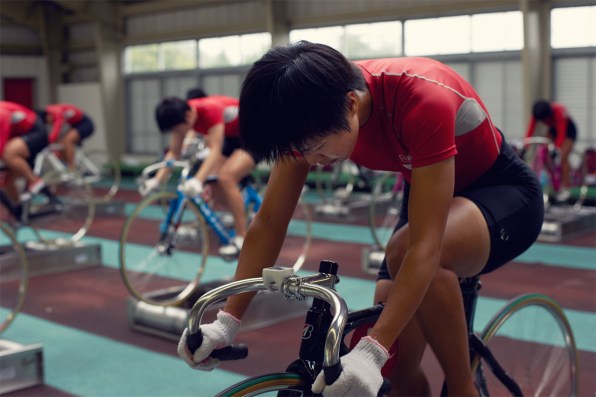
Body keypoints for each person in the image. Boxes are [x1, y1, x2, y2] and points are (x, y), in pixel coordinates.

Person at [176, 42, 544, 396]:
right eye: (301, 152)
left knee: (402, 268)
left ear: (351, 103)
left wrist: (372, 350)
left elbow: (425, 245)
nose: (312, 159)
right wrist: (226, 323)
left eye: (318, 148)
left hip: (503, 191)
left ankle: (464, 389)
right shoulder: (309, 121)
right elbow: (269, 221)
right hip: (429, 188)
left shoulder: (421, 98)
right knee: (393, 369)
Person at [144, 94, 255, 257]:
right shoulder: (182, 115)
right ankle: (240, 208)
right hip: (232, 138)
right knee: (213, 181)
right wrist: (156, 180)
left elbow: (215, 151)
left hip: (254, 133)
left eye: (176, 129)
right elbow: (174, 152)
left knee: (225, 177)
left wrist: (197, 180)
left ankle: (242, 237)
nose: (176, 133)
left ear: (188, 117)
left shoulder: (210, 110)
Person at [525, 100, 578, 202]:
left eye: (545, 120)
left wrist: (557, 148)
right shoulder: (537, 113)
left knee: (563, 156)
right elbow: (530, 130)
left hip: (568, 131)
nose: (544, 122)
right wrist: (525, 146)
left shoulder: (559, 111)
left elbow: (562, 132)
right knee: (543, 151)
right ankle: (554, 178)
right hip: (553, 129)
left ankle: (566, 187)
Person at [0, 100, 49, 204]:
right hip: (21, 137)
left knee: (7, 153)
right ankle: (18, 208)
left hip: (36, 132)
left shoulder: (1, 111)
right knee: (7, 180)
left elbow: (3, 138)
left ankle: (34, 181)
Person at [38, 103, 95, 169]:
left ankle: (72, 168)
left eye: (47, 122)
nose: (49, 123)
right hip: (76, 125)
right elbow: (56, 134)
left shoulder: (56, 111)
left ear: (48, 115)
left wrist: (47, 142)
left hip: (85, 123)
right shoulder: (52, 112)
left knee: (68, 140)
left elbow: (56, 129)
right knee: (61, 143)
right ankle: (68, 165)